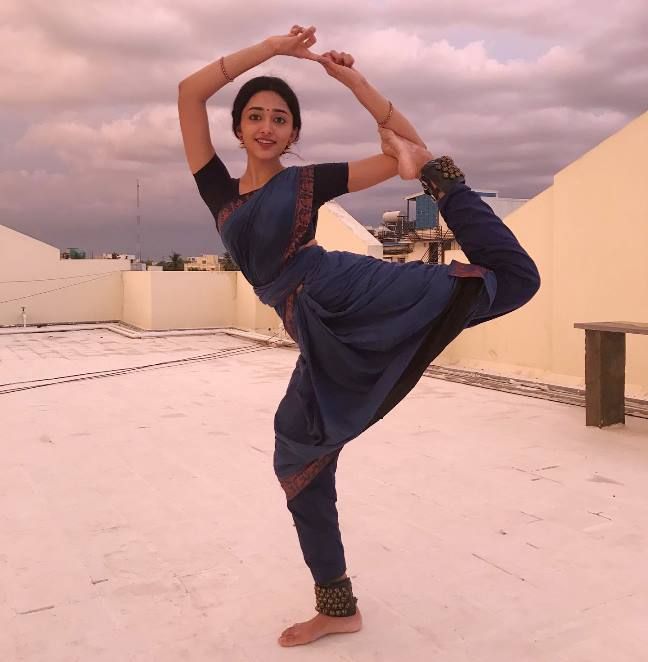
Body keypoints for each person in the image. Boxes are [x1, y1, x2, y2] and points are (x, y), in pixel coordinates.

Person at [178, 25, 540, 647]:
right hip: (313, 328)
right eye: (256, 116)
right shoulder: (218, 189)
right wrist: (272, 49)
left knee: (513, 279)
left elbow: (411, 151)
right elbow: (189, 94)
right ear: (237, 127)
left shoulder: (309, 181)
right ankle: (337, 602)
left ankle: (456, 196)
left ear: (294, 133)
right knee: (297, 454)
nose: (268, 127)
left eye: (281, 119)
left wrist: (351, 82)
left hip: (350, 291)